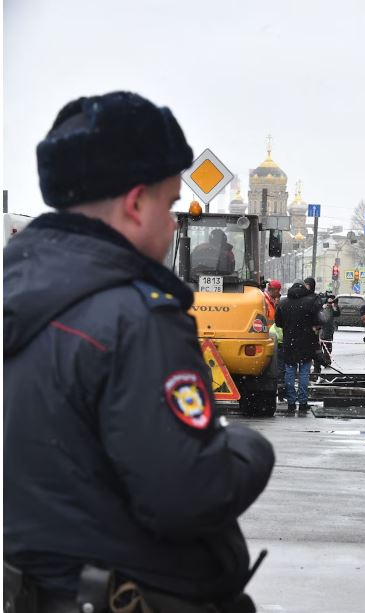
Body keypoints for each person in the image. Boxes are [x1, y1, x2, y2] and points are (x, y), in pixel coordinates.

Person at [3, 91, 274, 612]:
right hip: (139, 596)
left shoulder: (23, 297)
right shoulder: (137, 319)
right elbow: (187, 496)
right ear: (134, 204)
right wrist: (248, 447)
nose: (173, 224)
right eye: (170, 204)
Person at [274, 281, 317, 413]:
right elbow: (317, 321)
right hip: (306, 343)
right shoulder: (310, 303)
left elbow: (278, 323)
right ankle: (303, 403)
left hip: (289, 342)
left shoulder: (283, 303)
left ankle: (291, 402)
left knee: (289, 372)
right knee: (304, 373)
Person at [317, 291, 341, 367]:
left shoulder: (333, 308)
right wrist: (322, 307)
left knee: (328, 347)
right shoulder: (322, 306)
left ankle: (327, 361)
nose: (330, 304)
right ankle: (318, 362)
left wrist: (334, 307)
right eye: (329, 302)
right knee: (318, 347)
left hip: (329, 330)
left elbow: (337, 314)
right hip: (320, 330)